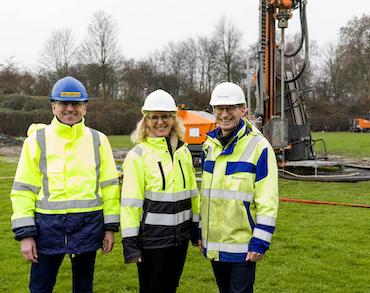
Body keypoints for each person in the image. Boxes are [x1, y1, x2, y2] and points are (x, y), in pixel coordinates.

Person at [10, 76, 121, 293]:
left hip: (88, 227)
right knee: (40, 288)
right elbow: (23, 190)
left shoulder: (99, 140)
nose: (70, 109)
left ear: (84, 108)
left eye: (76, 104)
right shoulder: (36, 141)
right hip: (46, 229)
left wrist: (110, 228)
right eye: (63, 104)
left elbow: (109, 187)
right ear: (53, 106)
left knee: (83, 287)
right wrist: (26, 235)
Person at [200, 82, 279, 293]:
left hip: (243, 247)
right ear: (213, 111)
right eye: (219, 109)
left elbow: (268, 200)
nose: (224, 114)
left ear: (243, 110)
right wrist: (200, 231)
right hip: (215, 245)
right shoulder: (209, 146)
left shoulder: (259, 147)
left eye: (230, 109)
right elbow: (206, 196)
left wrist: (260, 242)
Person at [120, 89, 199, 293]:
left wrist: (196, 227)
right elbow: (130, 203)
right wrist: (130, 242)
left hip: (179, 239)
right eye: (154, 117)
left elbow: (193, 195)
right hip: (151, 241)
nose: (160, 122)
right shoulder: (137, 155)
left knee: (170, 288)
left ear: (174, 119)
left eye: (165, 116)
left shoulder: (183, 152)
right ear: (145, 121)